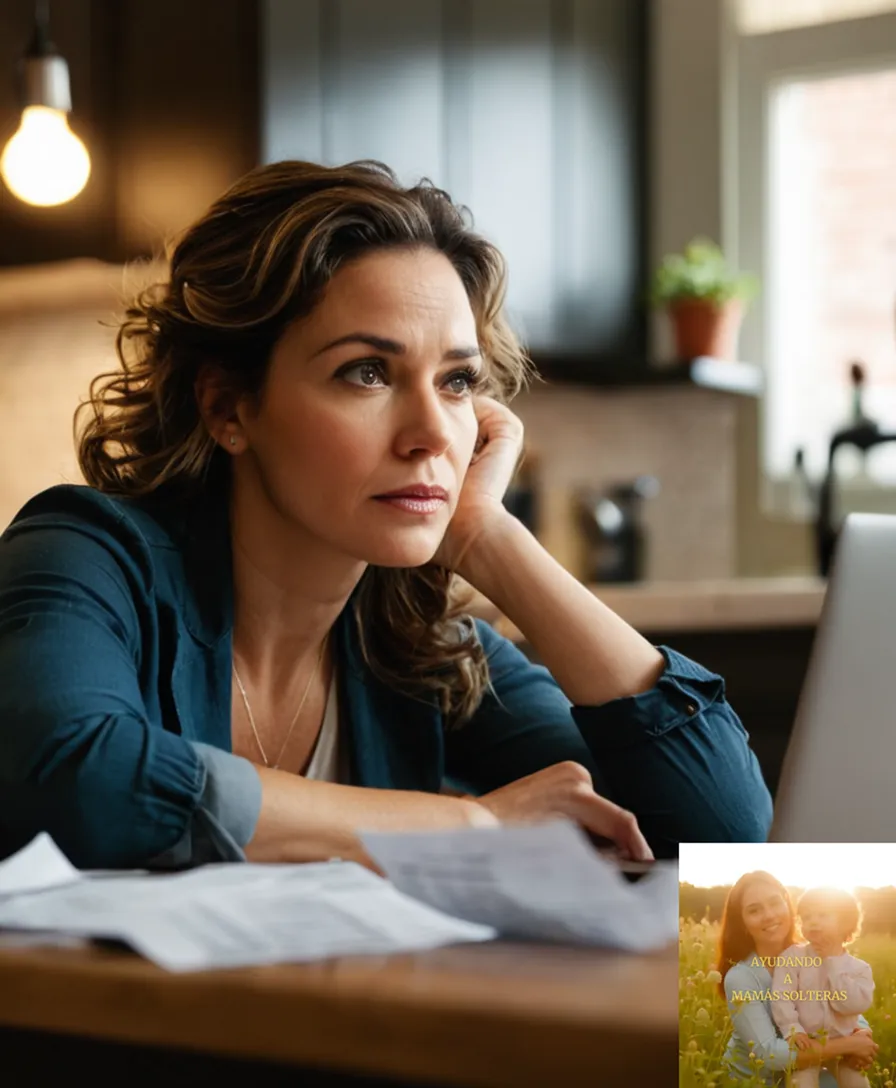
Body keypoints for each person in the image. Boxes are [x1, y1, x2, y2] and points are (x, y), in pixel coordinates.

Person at [0, 159, 773, 871]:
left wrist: (488, 536)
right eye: (367, 373)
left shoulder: (416, 645)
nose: (434, 432)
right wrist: (472, 826)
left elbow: (719, 830)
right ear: (228, 407)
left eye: (458, 381)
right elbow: (78, 779)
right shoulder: (85, 554)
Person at [717, 872, 878, 1085]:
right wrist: (850, 1045)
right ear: (743, 923)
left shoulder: (815, 953)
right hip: (757, 1080)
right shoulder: (741, 978)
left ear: (788, 905)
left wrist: (862, 1032)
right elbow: (768, 1054)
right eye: (754, 910)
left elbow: (836, 1001)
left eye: (775, 903)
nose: (769, 915)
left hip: (809, 1064)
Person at [770, 887, 874, 1088]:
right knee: (801, 1083)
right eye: (806, 917)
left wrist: (832, 962)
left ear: (845, 923)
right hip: (807, 1044)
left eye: (823, 915)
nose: (813, 922)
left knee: (858, 1083)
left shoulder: (859, 969)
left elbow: (852, 1005)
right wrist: (793, 1030)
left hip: (844, 1048)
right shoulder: (792, 958)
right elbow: (782, 997)